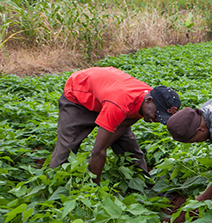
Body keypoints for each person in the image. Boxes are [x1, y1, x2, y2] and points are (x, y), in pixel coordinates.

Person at [49, 66, 181, 183]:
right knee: (68, 144)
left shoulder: (147, 102)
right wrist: (94, 189)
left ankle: (144, 184)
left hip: (106, 94)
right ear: (149, 101)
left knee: (129, 146)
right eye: (158, 114)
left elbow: (122, 127)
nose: (157, 119)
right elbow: (98, 152)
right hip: (79, 95)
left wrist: (108, 141)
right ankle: (53, 182)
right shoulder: (120, 104)